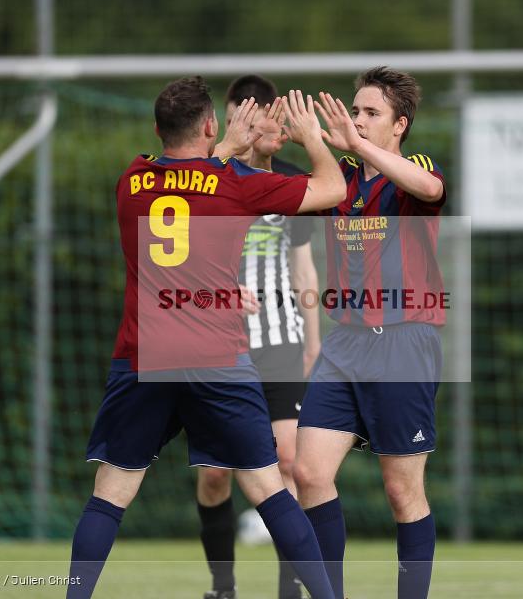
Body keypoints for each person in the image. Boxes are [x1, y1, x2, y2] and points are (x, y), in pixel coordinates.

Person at [65, 76, 345, 599]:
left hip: (144, 357)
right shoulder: (236, 182)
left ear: (156, 129)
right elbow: (332, 188)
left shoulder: (131, 178)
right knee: (269, 489)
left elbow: (184, 182)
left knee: (110, 494)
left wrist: (222, 152)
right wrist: (310, 137)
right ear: (212, 124)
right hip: (217, 357)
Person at [293, 67, 447, 599]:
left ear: (400, 125)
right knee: (308, 473)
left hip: (405, 340)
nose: (356, 120)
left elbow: (429, 187)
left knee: (402, 492)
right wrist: (295, 133)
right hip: (346, 342)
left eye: (370, 113)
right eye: (354, 110)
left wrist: (357, 145)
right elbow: (293, 181)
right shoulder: (340, 178)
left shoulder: (414, 168)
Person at [196, 75, 320, 599]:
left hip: (280, 340)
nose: (250, 124)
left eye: (259, 114)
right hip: (216, 343)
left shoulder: (289, 182)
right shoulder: (203, 181)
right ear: (226, 119)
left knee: (289, 462)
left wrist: (313, 341)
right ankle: (223, 587)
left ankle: (289, 589)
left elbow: (304, 269)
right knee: (216, 475)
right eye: (239, 115)